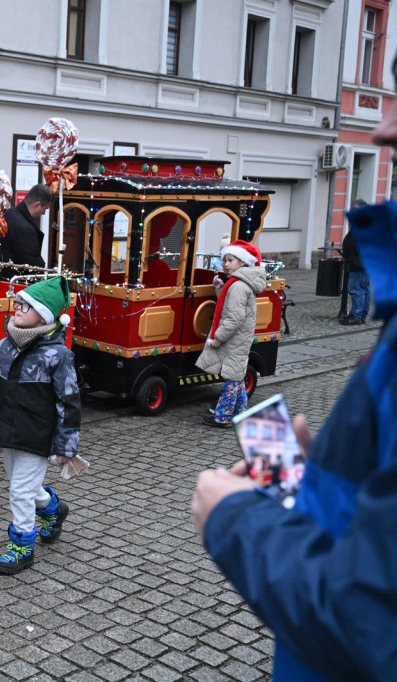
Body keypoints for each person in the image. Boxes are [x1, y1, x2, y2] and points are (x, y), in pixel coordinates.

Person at [191, 58, 397, 680]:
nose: (385, 128)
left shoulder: (235, 288)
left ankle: (225, 408)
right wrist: (315, 471)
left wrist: (233, 517)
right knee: (237, 393)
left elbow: (368, 620)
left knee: (231, 387)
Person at [0, 277, 80, 574]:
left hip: (38, 434)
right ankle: (53, 509)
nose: (17, 309)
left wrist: (67, 446)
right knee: (25, 488)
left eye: (25, 306)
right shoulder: (6, 345)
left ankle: (21, 545)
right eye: (16, 303)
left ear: (43, 315)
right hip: (8, 429)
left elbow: (69, 402)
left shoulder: (59, 355)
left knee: (19, 491)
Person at [196, 240, 266, 428]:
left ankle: (223, 417)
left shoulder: (238, 286)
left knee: (231, 378)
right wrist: (220, 287)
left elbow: (234, 317)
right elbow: (230, 306)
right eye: (224, 260)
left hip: (234, 339)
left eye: (231, 260)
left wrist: (218, 337)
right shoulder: (238, 283)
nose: (225, 264)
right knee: (237, 376)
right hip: (240, 338)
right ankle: (240, 412)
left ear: (243, 262)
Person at [0, 183, 52, 280]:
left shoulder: (10, 213)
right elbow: (34, 264)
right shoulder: (25, 228)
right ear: (37, 205)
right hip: (6, 282)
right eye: (45, 209)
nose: (44, 213)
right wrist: (48, 277)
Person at [341, 198, 370, 325]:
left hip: (359, 264)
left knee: (357, 289)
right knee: (364, 289)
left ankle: (356, 316)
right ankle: (362, 315)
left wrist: (353, 261)